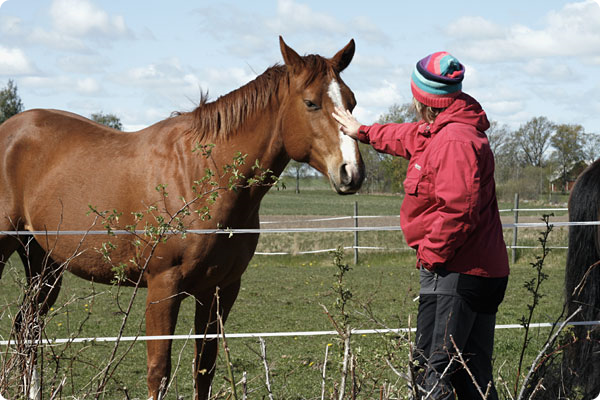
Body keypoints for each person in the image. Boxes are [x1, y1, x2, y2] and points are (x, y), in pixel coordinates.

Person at [332, 52, 509, 399]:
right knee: (471, 377)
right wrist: (362, 131)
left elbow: (459, 209)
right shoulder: (445, 130)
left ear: (424, 99)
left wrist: (431, 254)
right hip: (474, 270)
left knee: (433, 372)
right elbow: (405, 136)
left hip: (456, 271)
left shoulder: (455, 140)